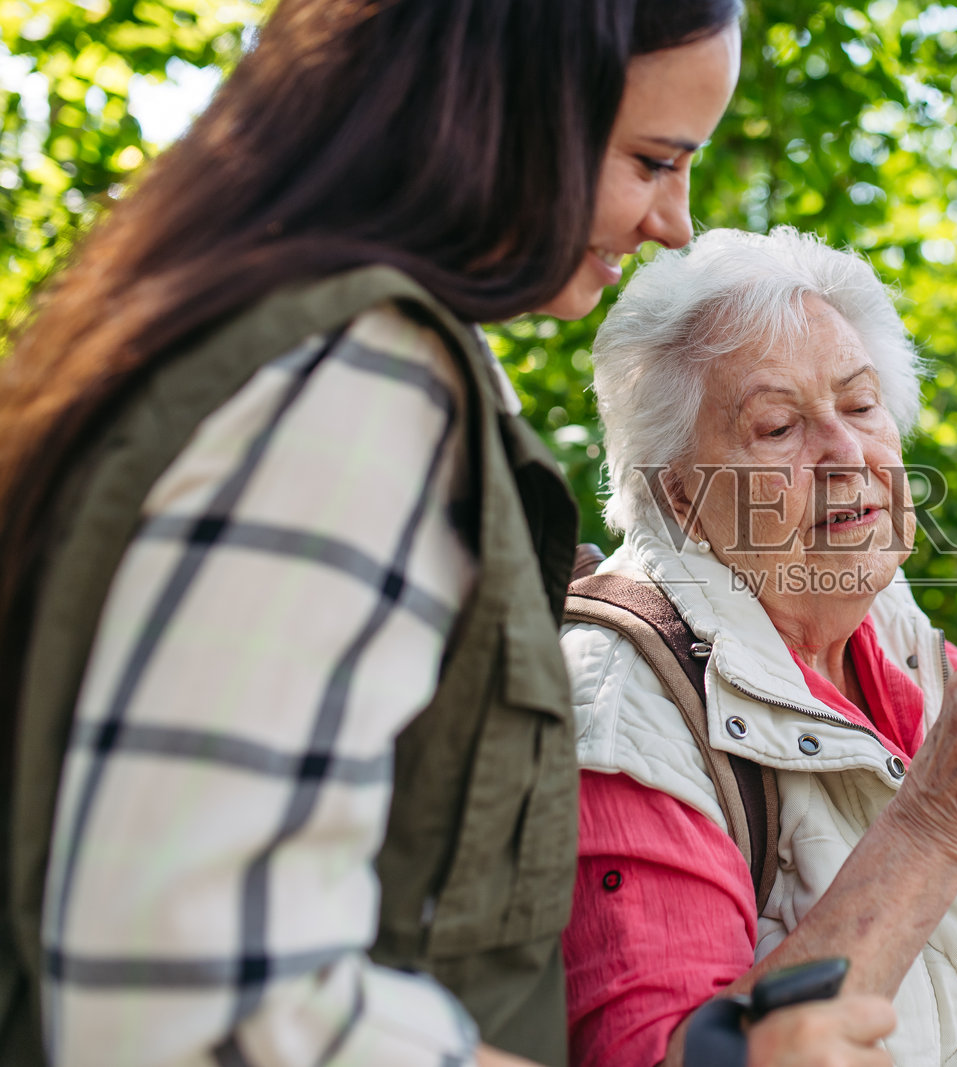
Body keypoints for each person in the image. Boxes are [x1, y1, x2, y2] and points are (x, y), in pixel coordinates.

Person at [0, 4, 893, 1066]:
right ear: (506, 109)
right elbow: (187, 992)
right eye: (653, 160)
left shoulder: (280, 333)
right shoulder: (352, 385)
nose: (676, 222)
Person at [560, 226, 957, 1066]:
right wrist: (934, 823)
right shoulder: (622, 711)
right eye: (777, 427)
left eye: (859, 404)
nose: (846, 453)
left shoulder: (897, 631)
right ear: (683, 495)